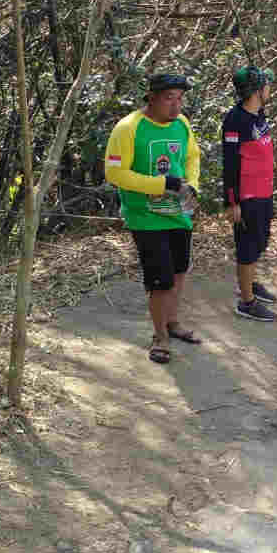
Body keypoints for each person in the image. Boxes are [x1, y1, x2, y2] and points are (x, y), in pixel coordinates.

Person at [104, 72, 201, 365]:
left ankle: (173, 323)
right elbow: (114, 173)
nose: (176, 105)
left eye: (180, 98)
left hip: (178, 213)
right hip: (145, 217)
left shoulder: (182, 124)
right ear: (152, 97)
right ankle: (159, 336)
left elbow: (192, 156)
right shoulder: (128, 128)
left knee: (180, 269)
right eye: (170, 98)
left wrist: (192, 184)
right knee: (160, 279)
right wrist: (163, 185)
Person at [222, 65, 277, 323]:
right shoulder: (236, 120)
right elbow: (230, 163)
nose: (270, 89)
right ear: (257, 90)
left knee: (261, 240)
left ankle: (250, 282)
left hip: (264, 191)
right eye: (267, 84)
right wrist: (232, 202)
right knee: (248, 246)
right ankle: (246, 301)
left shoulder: (259, 115)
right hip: (247, 196)